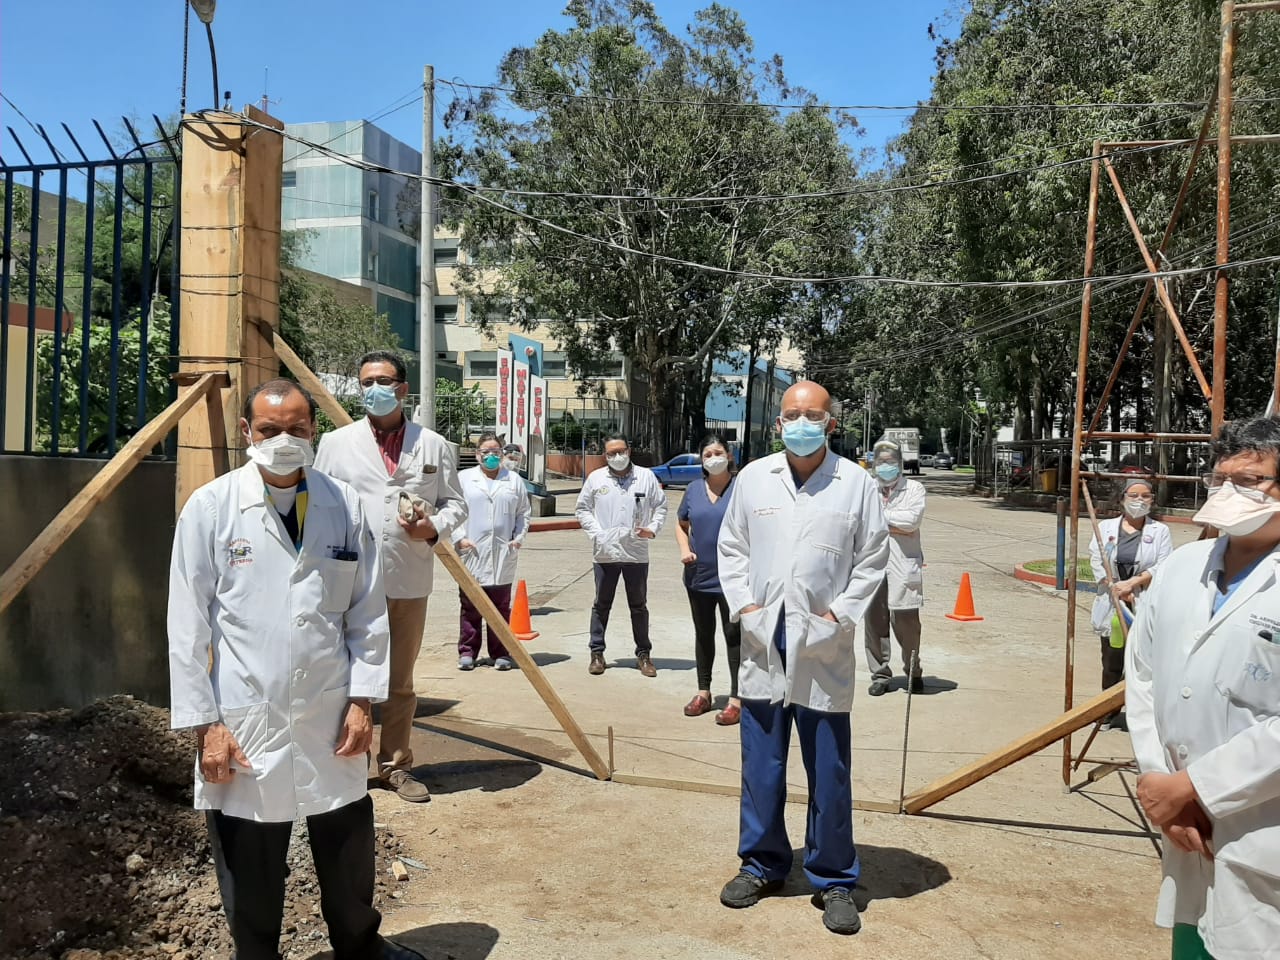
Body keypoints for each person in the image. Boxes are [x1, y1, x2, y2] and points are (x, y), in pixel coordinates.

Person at [167, 379, 423, 960]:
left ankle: (361, 946)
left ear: (314, 431)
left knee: (347, 839)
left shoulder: (344, 504)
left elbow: (367, 611)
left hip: (330, 708)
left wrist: (363, 701)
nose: (284, 440)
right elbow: (187, 627)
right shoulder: (210, 508)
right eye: (269, 430)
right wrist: (205, 723)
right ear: (246, 434)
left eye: (296, 429)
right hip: (245, 710)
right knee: (249, 852)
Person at [716, 380, 889, 936]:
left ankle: (834, 875)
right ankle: (763, 863)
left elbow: (873, 555)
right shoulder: (752, 478)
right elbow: (732, 547)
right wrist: (745, 605)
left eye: (811, 413)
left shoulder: (855, 483)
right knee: (761, 765)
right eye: (791, 413)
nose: (800, 421)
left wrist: (839, 614)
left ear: (830, 423)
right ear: (778, 423)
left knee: (829, 769)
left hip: (822, 642)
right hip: (766, 639)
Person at [1126, 416, 1280, 960]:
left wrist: (1196, 787)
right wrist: (1159, 784)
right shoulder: (1181, 568)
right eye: (1221, 479)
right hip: (1181, 826)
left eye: (1251, 480)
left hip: (1260, 831)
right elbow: (1141, 676)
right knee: (1192, 942)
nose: (1230, 491)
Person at [314, 351, 466, 803]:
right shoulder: (336, 443)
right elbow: (317, 504)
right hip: (348, 581)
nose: (373, 389)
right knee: (342, 678)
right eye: (366, 382)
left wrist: (433, 527)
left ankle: (396, 765)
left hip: (407, 579)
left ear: (402, 388)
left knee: (399, 682)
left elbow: (456, 503)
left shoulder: (434, 446)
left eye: (383, 381)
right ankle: (344, 766)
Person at [575, 432, 668, 677]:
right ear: (605, 456)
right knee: (601, 604)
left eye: (621, 451)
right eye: (612, 453)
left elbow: (661, 506)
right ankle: (597, 653)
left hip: (636, 552)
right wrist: (597, 533)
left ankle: (644, 654)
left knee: (638, 605)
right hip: (605, 552)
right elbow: (582, 509)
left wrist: (652, 529)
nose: (617, 456)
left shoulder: (646, 477)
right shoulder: (596, 479)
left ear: (629, 450)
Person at [1088, 475, 1173, 731]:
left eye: (1144, 496)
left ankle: (1140, 712)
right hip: (1112, 600)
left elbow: (1163, 565)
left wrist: (1133, 583)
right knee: (1112, 659)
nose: (1139, 501)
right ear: (1122, 499)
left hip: (1142, 599)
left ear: (1152, 500)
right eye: (1133, 496)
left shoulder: (1160, 531)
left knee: (1142, 662)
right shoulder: (1105, 528)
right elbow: (1096, 558)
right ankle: (1107, 711)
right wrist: (1114, 585)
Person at [674, 434, 742, 725]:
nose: (712, 458)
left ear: (728, 455)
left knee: (734, 636)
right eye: (706, 454)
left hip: (735, 578)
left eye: (717, 452)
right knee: (704, 634)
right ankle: (704, 692)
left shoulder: (742, 488)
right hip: (699, 577)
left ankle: (737, 698)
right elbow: (681, 523)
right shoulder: (692, 490)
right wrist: (685, 549)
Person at [453, 432, 532, 671]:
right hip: (472, 551)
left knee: (500, 607)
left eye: (495, 452)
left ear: (501, 455)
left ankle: (501, 653)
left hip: (502, 552)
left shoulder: (514, 480)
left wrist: (517, 539)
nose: (490, 456)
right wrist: (459, 538)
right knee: (471, 606)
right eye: (485, 452)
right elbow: (453, 511)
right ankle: (468, 652)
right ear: (477, 455)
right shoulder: (464, 479)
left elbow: (523, 513)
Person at [863, 439, 927, 697]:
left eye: (890, 461)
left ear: (900, 463)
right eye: (880, 461)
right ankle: (880, 674)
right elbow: (858, 520)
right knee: (874, 623)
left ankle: (914, 671)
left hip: (903, 564)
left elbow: (912, 521)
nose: (885, 466)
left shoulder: (914, 488)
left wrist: (878, 519)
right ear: (873, 464)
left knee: (907, 622)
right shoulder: (867, 488)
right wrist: (892, 523)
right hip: (872, 564)